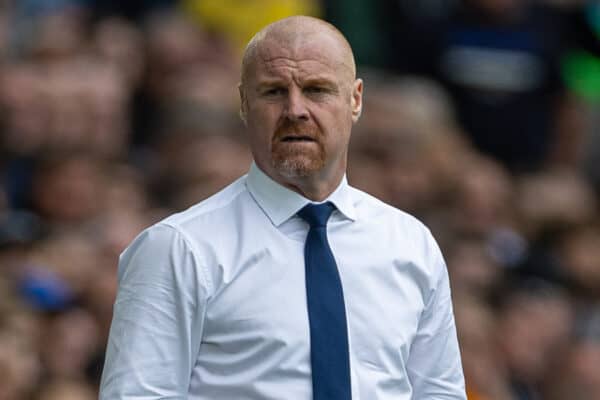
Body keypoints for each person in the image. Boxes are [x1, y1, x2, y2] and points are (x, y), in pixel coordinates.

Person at [99, 15, 466, 399]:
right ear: (243, 103)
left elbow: (439, 393)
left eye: (316, 90)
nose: (295, 109)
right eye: (273, 92)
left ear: (355, 100)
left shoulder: (411, 244)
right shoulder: (178, 248)